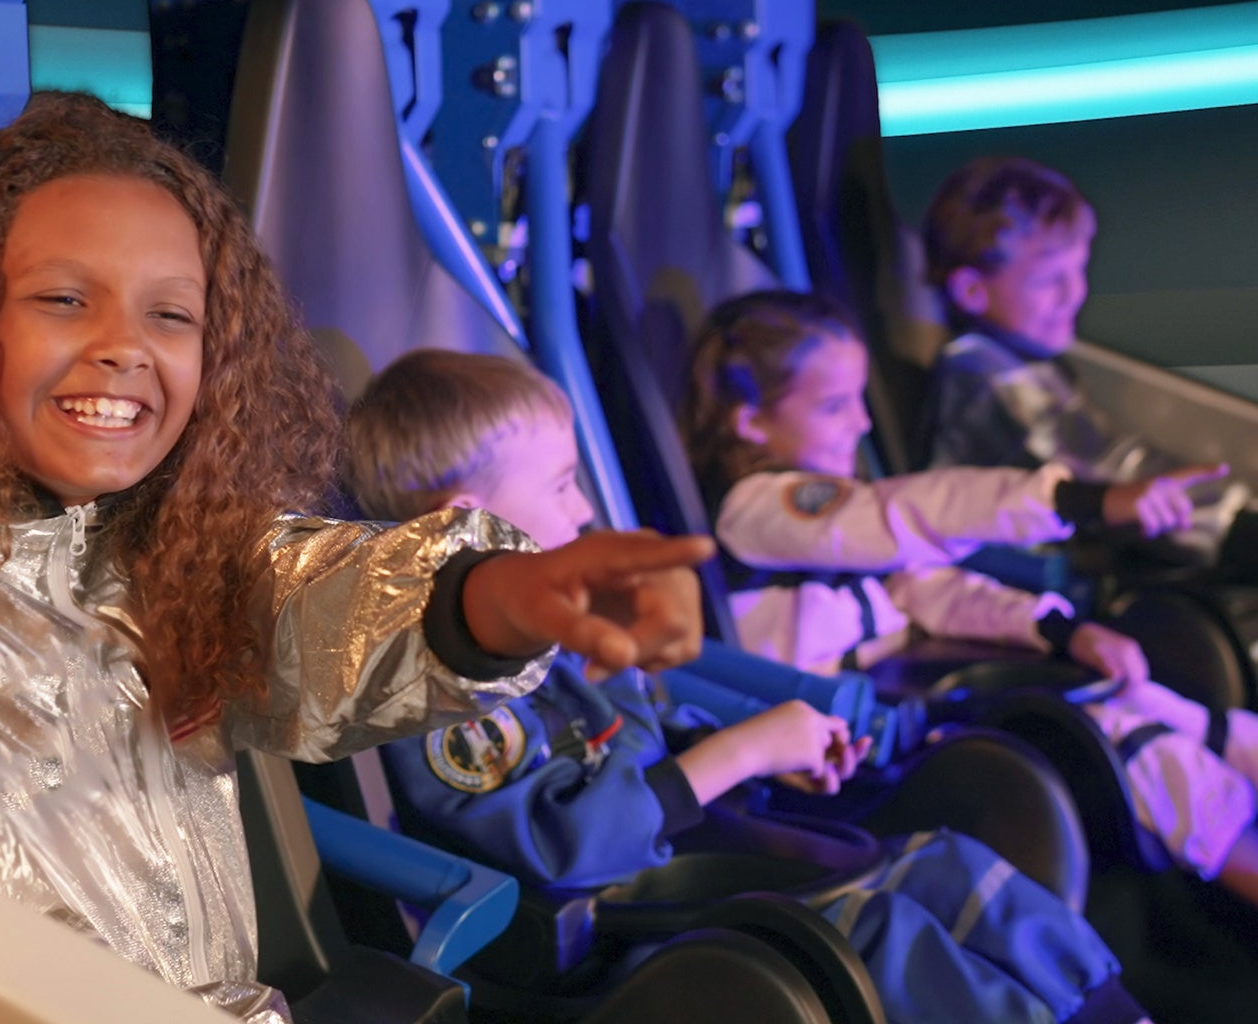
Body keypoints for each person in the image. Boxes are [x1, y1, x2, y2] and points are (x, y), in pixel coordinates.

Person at [0, 93, 714, 1023]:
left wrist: (497, 596)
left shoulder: (164, 544)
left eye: (171, 314)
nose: (126, 344)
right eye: (64, 300)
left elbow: (326, 606)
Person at [349, 347, 1147, 1024]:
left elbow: (641, 733)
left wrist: (756, 755)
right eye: (561, 485)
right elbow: (560, 851)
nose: (585, 507)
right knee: (876, 923)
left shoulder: (550, 621)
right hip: (599, 936)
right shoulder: (439, 696)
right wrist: (734, 755)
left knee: (945, 864)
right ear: (467, 522)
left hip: (673, 864)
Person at [683, 288, 1258, 912]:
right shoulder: (755, 512)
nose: (863, 421)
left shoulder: (832, 510)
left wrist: (1059, 631)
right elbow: (901, 515)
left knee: (1143, 698)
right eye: (834, 406)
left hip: (914, 701)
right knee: (1124, 740)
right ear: (750, 421)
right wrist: (1080, 502)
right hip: (855, 759)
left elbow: (929, 586)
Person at [919, 156, 1257, 574]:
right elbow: (1048, 505)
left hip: (1175, 518)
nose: (1074, 293)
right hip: (1123, 547)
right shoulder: (979, 376)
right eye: (1048, 280)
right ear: (971, 290)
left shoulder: (1031, 361)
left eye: (1078, 269)